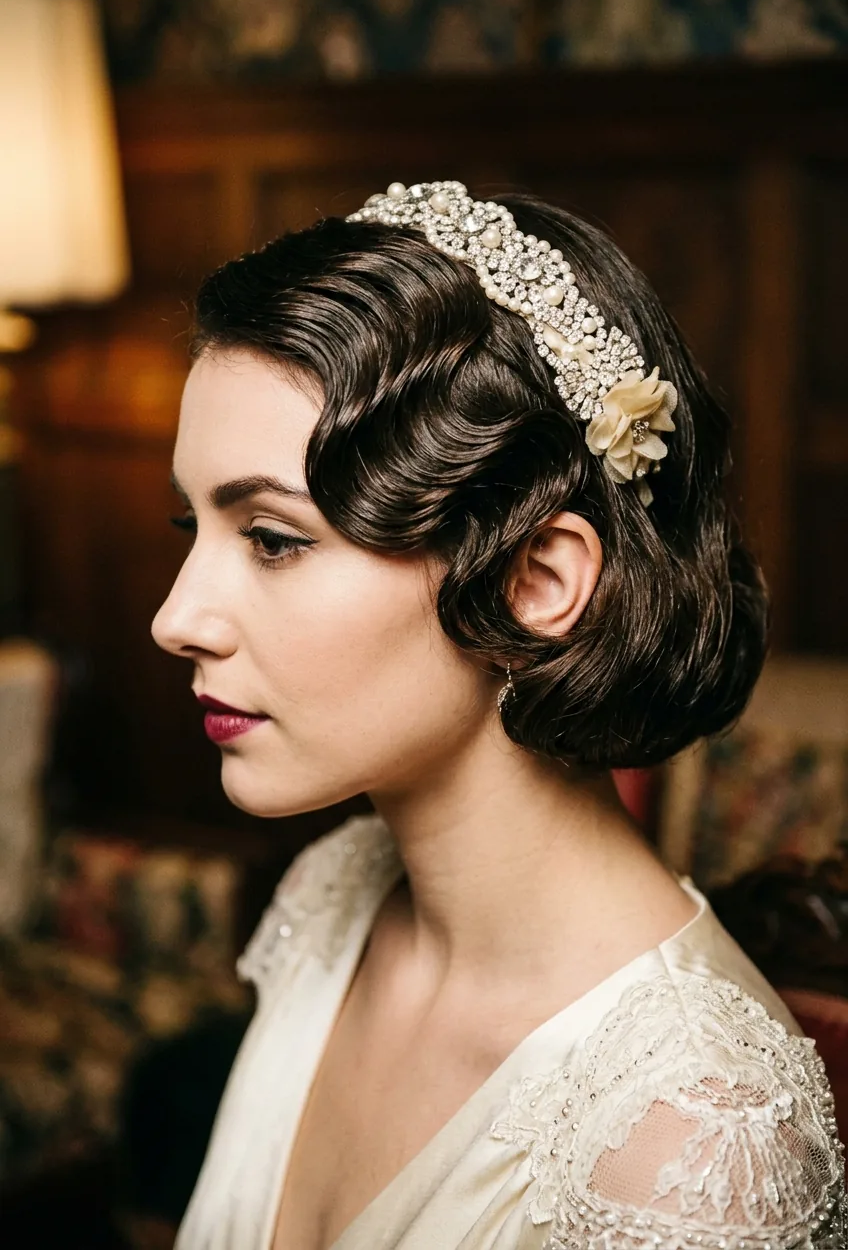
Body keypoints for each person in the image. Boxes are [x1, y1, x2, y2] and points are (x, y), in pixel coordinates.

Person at [151, 181, 846, 1250]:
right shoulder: (332, 897)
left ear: (536, 577)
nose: (174, 618)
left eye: (274, 538)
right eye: (189, 525)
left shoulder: (685, 1149)